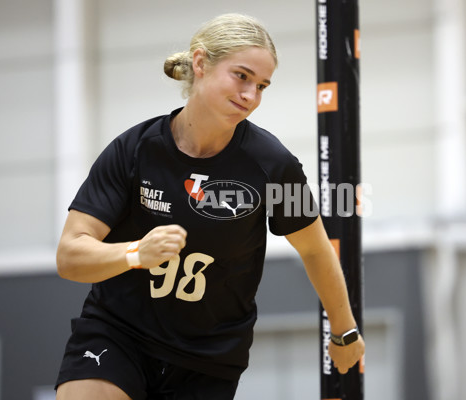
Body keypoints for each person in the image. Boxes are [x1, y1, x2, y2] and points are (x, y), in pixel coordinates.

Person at [54, 13, 364, 400]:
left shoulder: (275, 164)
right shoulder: (132, 150)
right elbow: (70, 256)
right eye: (242, 76)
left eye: (262, 85)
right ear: (200, 64)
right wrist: (134, 253)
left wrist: (344, 330)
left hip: (208, 357)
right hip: (119, 335)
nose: (251, 95)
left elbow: (316, 249)